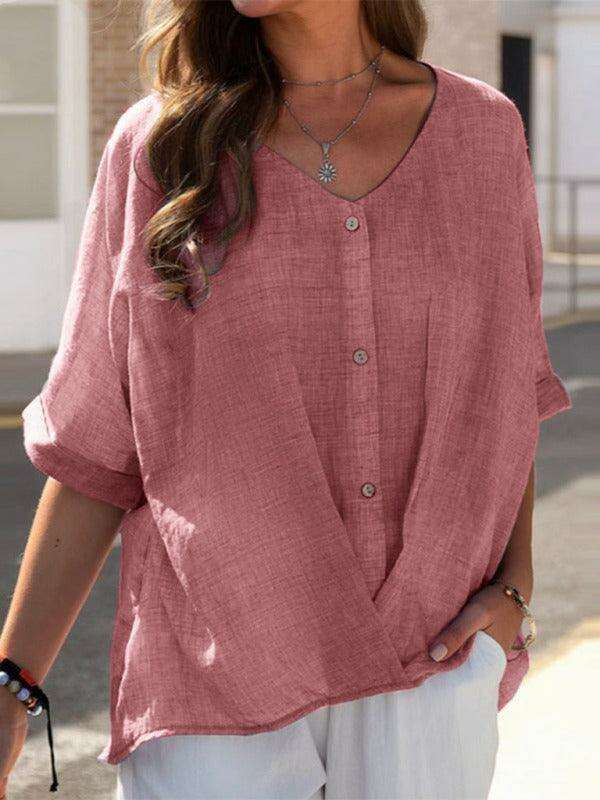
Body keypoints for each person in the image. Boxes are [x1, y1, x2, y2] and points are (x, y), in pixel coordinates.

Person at [0, 1, 572, 798]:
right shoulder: (162, 147)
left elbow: (502, 389)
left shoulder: (482, 132)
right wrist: (12, 681)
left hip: (430, 655)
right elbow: (97, 439)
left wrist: (515, 587)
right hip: (220, 670)